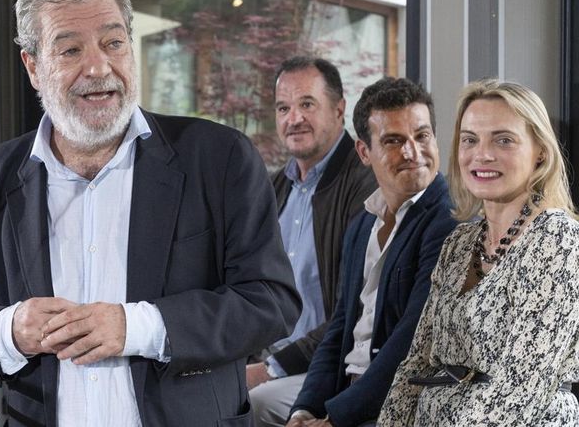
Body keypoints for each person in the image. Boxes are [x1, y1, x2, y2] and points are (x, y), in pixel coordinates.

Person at [0, 0, 301, 427]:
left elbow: (271, 301)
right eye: (70, 49)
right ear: (33, 67)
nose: (98, 66)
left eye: (113, 42)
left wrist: (137, 327)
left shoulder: (219, 159)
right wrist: (10, 329)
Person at [379, 80, 579, 426]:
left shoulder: (558, 239)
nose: (482, 154)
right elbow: (415, 365)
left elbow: (518, 389)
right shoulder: (459, 242)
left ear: (540, 152)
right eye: (470, 139)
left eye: (503, 140)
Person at [286, 77, 457, 426]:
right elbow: (338, 331)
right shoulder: (362, 226)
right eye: (393, 141)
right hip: (346, 391)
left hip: (398, 405)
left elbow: (411, 342)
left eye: (421, 136)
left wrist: (334, 419)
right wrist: (304, 411)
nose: (412, 152)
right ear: (364, 152)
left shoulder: (450, 221)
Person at [248, 57, 377, 426]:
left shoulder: (364, 183)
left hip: (328, 364)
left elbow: (352, 310)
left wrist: (269, 369)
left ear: (339, 110)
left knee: (252, 403)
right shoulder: (274, 189)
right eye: (283, 108)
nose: (294, 119)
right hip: (268, 357)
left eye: (307, 104)